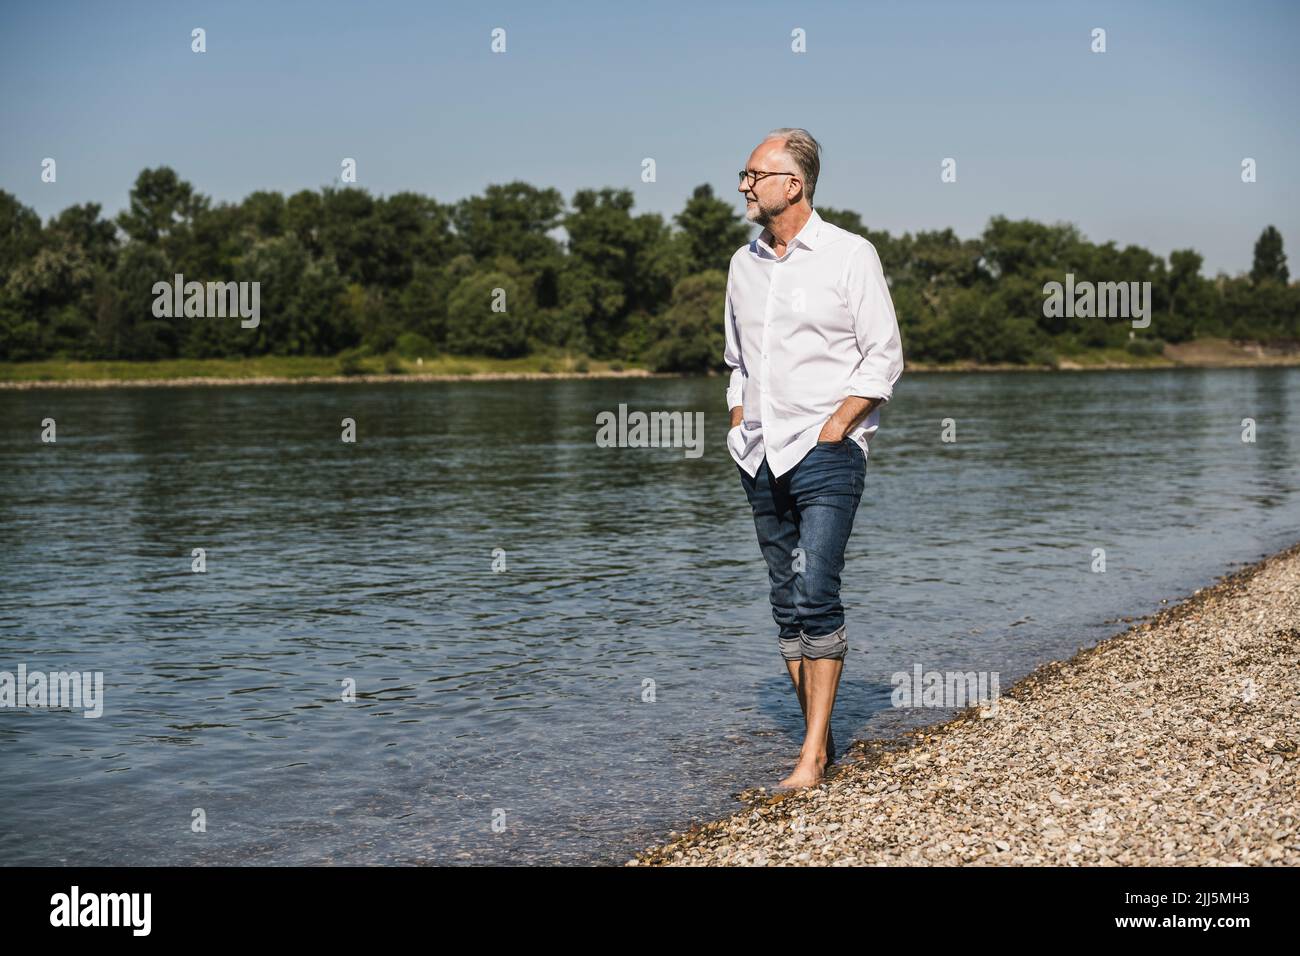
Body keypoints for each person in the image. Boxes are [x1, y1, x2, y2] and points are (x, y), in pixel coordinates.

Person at [724, 128, 904, 791]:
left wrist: (836, 426)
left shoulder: (850, 255)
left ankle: (808, 760)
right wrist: (740, 421)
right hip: (759, 456)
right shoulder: (743, 265)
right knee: (785, 604)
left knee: (816, 592)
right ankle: (818, 744)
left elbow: (884, 356)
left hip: (827, 455)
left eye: (752, 175)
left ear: (791, 185)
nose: (743, 185)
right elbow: (737, 362)